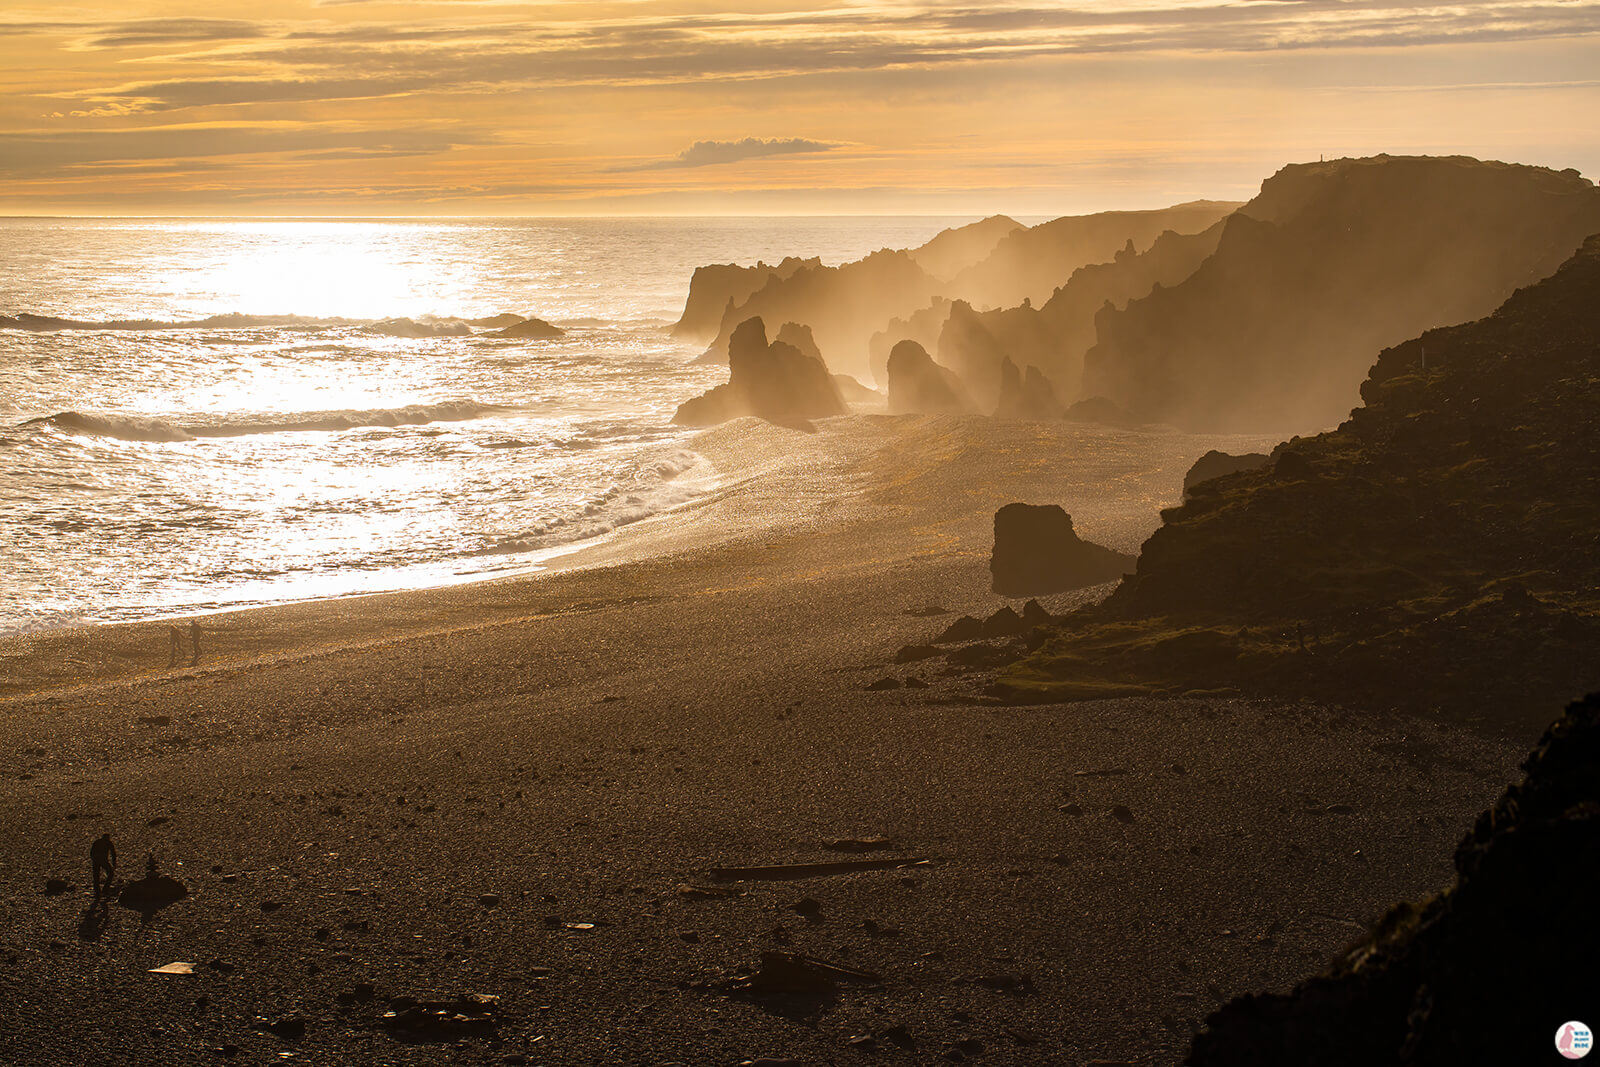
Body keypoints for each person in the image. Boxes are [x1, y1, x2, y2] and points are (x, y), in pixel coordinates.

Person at [90, 833, 116, 898]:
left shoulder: (97, 842)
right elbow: (113, 854)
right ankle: (104, 890)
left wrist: (93, 858)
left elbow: (91, 852)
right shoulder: (108, 843)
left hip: (96, 860)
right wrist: (114, 864)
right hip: (102, 860)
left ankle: (98, 892)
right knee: (110, 873)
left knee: (96, 876)